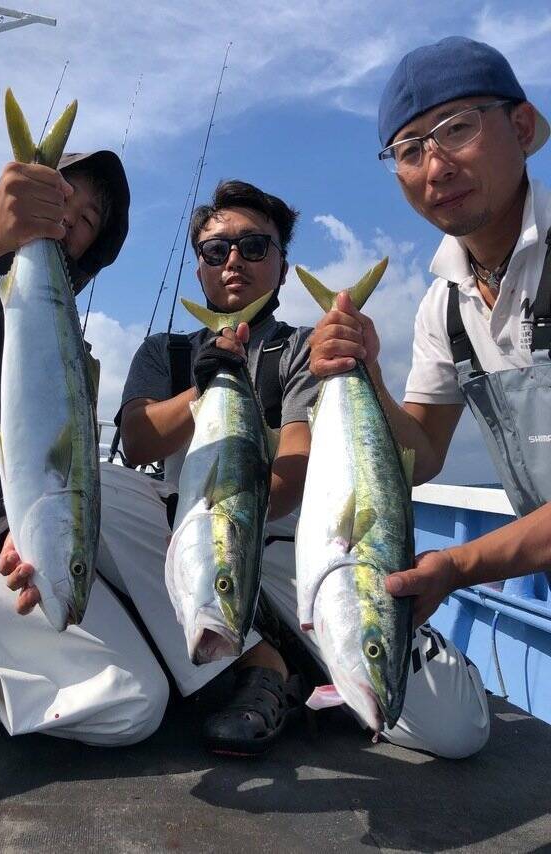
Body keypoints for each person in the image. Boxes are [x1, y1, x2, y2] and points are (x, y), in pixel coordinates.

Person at [0, 150, 172, 746]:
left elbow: (31, 461)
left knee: (133, 700)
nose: (65, 218)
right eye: (61, 194)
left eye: (83, 222)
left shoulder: (66, 352)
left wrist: (15, 532)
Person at [311, 35, 551, 626]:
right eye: (410, 149)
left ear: (521, 128)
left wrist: (458, 565)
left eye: (458, 128)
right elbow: (424, 453)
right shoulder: (442, 305)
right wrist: (366, 376)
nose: (436, 167)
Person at [113, 179, 316, 755]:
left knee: (445, 724)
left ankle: (247, 651)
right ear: (199, 268)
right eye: (216, 250)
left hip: (279, 550)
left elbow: (290, 479)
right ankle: (262, 662)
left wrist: (229, 516)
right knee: (94, 488)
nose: (235, 261)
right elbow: (138, 444)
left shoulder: (300, 351)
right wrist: (203, 388)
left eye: (255, 247)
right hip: (184, 535)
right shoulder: (167, 353)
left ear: (280, 265)